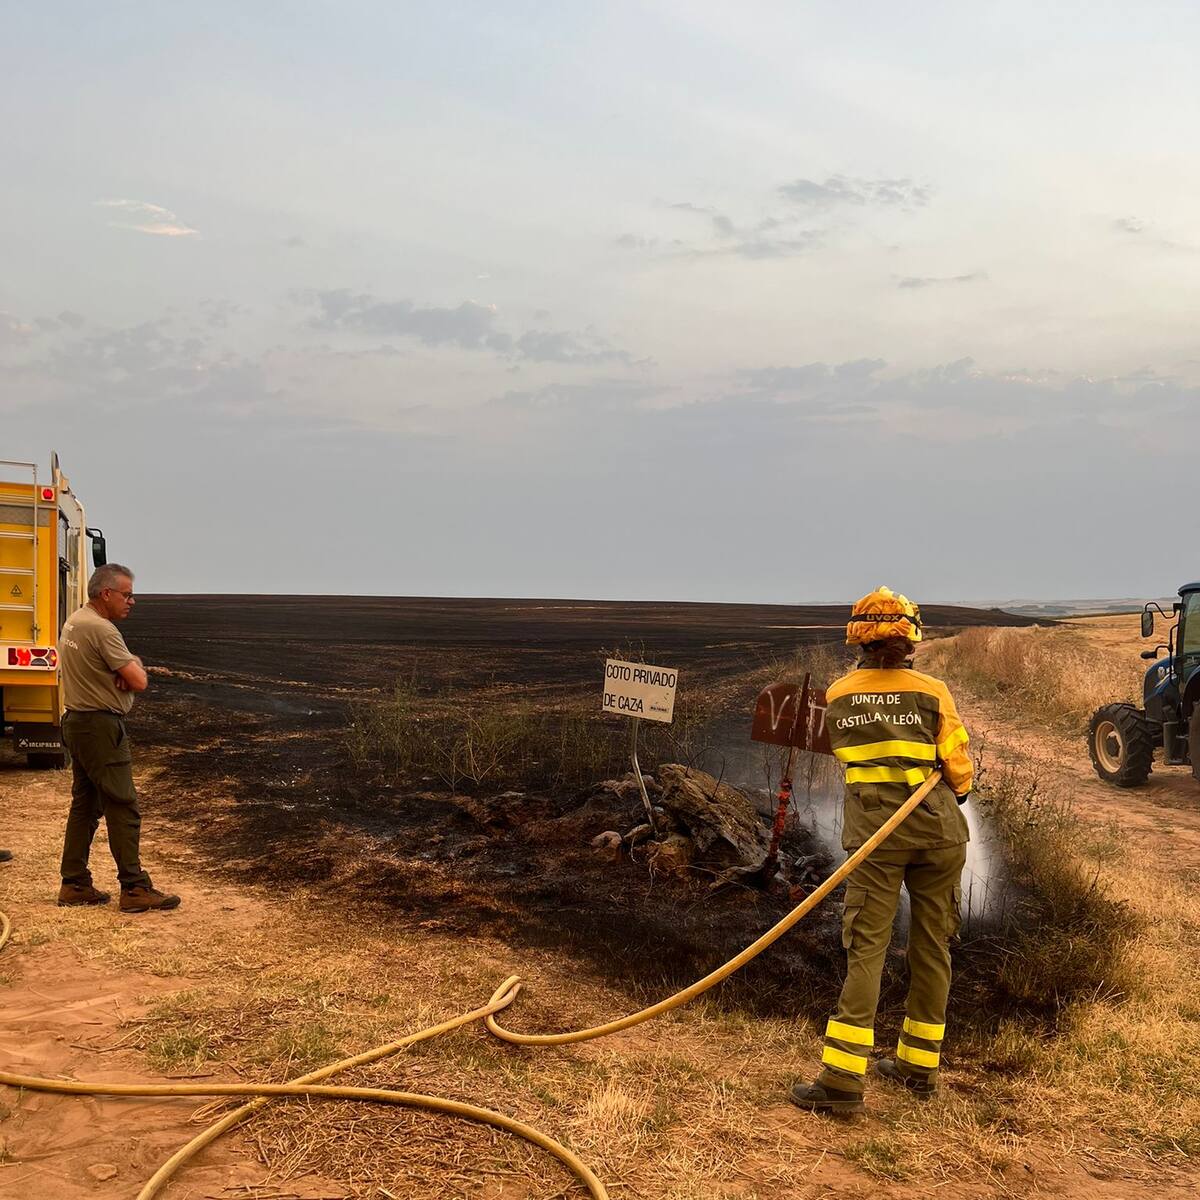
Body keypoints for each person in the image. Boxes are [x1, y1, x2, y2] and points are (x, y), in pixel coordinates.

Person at [790, 586, 972, 1114]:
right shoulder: (934, 690)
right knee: (932, 945)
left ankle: (843, 1083)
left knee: (866, 947)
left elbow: (846, 753)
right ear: (912, 635)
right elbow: (957, 765)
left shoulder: (841, 693)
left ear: (858, 637)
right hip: (940, 833)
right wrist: (952, 789)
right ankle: (918, 1067)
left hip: (877, 837)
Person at [56, 563, 180, 913]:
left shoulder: (76, 621)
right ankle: (134, 887)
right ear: (106, 593)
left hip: (77, 722)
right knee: (122, 805)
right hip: (100, 728)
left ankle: (74, 883)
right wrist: (132, 669)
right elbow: (139, 681)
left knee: (86, 805)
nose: (132, 601)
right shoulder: (103, 631)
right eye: (126, 594)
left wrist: (129, 665)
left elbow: (130, 671)